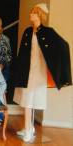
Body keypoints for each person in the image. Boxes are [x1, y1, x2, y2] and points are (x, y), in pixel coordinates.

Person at [13, 3, 72, 142]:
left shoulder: (48, 32)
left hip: (39, 72)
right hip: (27, 70)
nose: (30, 15)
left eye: (33, 12)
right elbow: (22, 52)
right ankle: (29, 127)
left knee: (30, 100)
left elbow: (64, 45)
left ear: (39, 15)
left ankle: (28, 130)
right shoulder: (27, 31)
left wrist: (53, 63)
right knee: (27, 99)